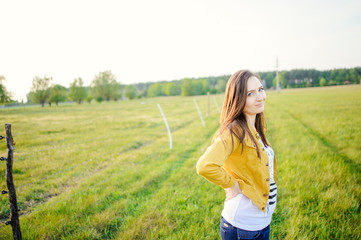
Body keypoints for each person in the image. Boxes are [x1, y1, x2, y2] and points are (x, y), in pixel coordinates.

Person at [196, 70, 277, 240]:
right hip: (244, 227)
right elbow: (205, 166)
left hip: (260, 224)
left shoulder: (254, 125)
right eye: (250, 94)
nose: (260, 97)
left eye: (260, 89)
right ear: (238, 98)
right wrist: (232, 185)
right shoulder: (234, 131)